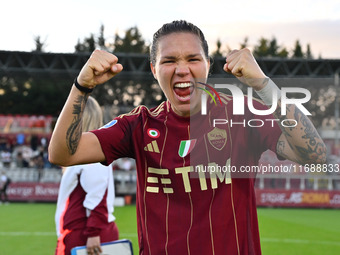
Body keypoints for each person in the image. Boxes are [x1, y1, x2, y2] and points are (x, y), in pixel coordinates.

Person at [49, 20, 326, 255]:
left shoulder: (241, 115)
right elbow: (63, 154)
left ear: (207, 64)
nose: (182, 69)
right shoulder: (139, 125)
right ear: (154, 70)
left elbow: (314, 154)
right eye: (169, 60)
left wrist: (263, 84)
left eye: (193, 59)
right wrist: (81, 87)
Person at [54, 96, 119, 255]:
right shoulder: (88, 151)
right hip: (84, 232)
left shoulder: (90, 152)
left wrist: (93, 233)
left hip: (85, 235)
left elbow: (97, 196)